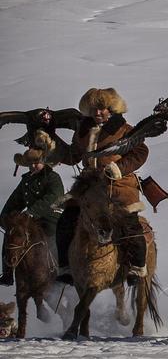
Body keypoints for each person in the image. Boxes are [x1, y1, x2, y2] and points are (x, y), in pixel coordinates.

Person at [53, 88, 150, 284]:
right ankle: (65, 267)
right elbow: (73, 156)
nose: (97, 113)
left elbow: (141, 152)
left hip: (118, 186)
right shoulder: (83, 132)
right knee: (66, 220)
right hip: (88, 189)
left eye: (102, 108)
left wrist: (118, 168)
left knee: (130, 225)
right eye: (93, 109)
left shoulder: (125, 130)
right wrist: (51, 144)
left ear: (111, 109)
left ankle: (137, 268)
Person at [0, 148, 65, 285]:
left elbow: (52, 198)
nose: (34, 166)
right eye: (30, 163)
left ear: (44, 162)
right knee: (11, 235)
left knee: (54, 238)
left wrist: (31, 212)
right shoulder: (26, 181)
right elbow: (15, 201)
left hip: (51, 218)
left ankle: (63, 271)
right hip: (31, 220)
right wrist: (5, 218)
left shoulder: (53, 178)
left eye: (37, 162)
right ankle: (7, 274)